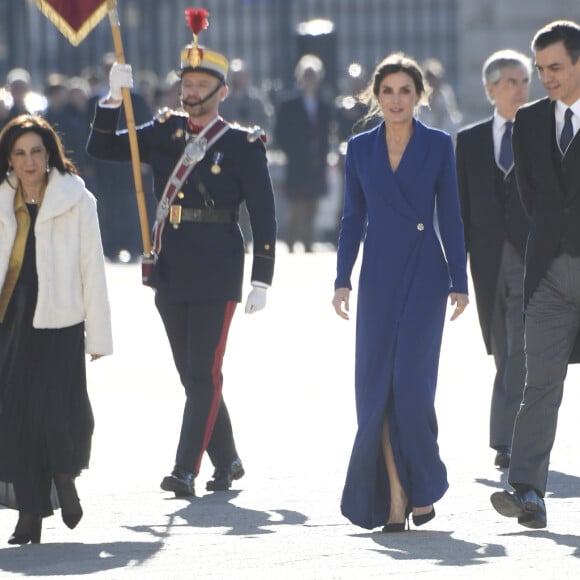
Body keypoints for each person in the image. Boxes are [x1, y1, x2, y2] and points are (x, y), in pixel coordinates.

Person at [87, 8, 276, 498]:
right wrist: (112, 99)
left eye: (200, 85)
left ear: (221, 91)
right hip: (169, 263)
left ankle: (185, 469)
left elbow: (264, 212)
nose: (190, 92)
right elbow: (103, 149)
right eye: (186, 84)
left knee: (202, 371)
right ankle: (229, 459)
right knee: (194, 374)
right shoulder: (164, 131)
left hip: (218, 264)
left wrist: (262, 279)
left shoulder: (241, 144)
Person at [332, 53, 469, 532]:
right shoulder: (361, 148)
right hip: (378, 280)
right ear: (376, 96)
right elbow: (352, 219)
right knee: (377, 391)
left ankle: (424, 482)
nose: (396, 100)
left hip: (426, 276)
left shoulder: (438, 145)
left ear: (419, 96)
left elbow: (450, 215)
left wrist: (459, 280)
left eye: (405, 91)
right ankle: (395, 498)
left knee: (410, 388)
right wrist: (342, 277)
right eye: (387, 91)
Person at [0, 115, 112, 544]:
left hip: (61, 319)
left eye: (36, 152)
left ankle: (63, 476)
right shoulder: (2, 198)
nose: (29, 162)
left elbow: (93, 269)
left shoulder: (76, 199)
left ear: (49, 154)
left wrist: (98, 334)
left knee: (56, 410)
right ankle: (30, 512)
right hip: (11, 320)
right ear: (9, 158)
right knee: (15, 415)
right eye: (20, 153)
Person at [491, 20, 580, 530]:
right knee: (539, 383)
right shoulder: (526, 123)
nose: (545, 77)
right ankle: (527, 490)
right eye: (540, 68)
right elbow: (529, 196)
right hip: (546, 272)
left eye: (556, 67)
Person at [455, 50, 531, 469]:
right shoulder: (468, 141)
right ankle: (510, 433)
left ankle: (506, 438)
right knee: (503, 346)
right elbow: (460, 209)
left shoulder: (547, 134)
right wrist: (455, 273)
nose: (522, 89)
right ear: (491, 89)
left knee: (520, 345)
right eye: (512, 82)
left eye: (525, 81)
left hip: (532, 258)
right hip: (486, 263)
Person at [274, 54, 335, 253]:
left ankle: (309, 250)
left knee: (312, 211)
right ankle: (291, 249)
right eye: (307, 75)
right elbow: (280, 133)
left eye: (313, 75)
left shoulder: (325, 104)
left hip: (316, 164)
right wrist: (293, 152)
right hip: (297, 164)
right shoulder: (289, 103)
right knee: (295, 212)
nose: (310, 79)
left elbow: (328, 133)